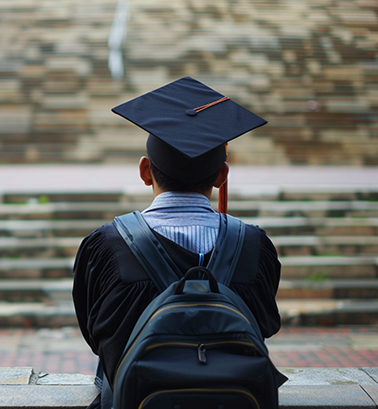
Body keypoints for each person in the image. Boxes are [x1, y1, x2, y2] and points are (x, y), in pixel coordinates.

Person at [72, 77, 282, 409]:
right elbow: (266, 326)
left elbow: (96, 335)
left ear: (145, 171)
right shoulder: (254, 246)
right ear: (221, 176)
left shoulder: (105, 247)